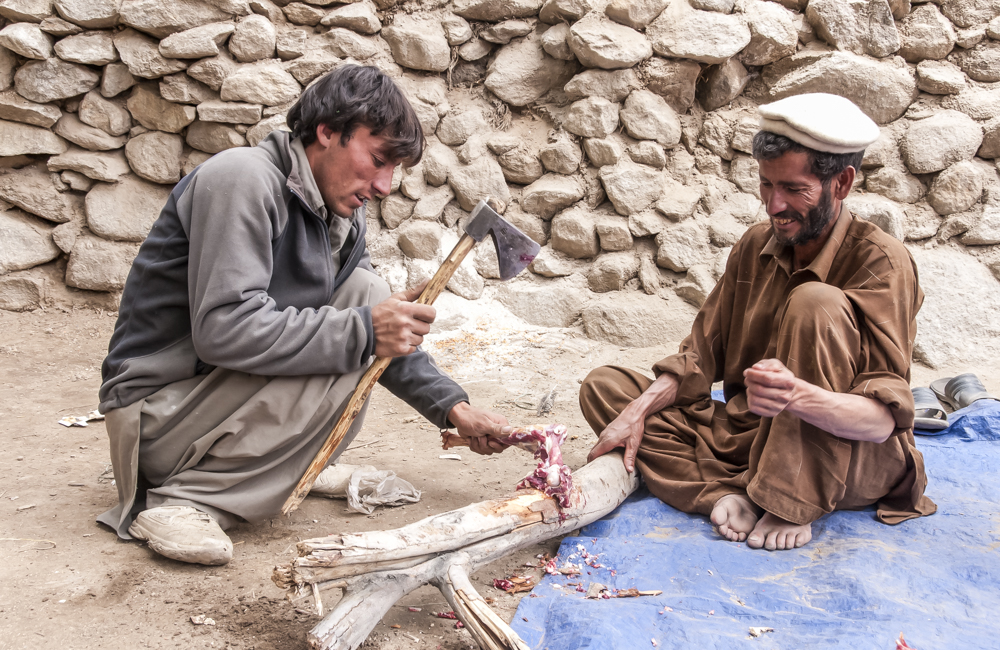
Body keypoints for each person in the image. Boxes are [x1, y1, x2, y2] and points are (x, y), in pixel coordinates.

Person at [96, 64, 511, 565]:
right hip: (159, 420)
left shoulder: (337, 211)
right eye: (378, 159)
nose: (384, 185)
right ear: (328, 131)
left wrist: (453, 409)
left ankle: (282, 469)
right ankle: (183, 498)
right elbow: (223, 330)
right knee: (362, 314)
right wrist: (366, 327)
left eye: (393, 170)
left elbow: (370, 322)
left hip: (215, 403)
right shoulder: (242, 179)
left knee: (366, 289)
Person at [581, 93, 936, 551]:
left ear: (842, 183)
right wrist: (635, 413)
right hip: (749, 438)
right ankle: (726, 494)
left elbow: (881, 423)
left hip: (848, 456)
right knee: (606, 387)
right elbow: (696, 360)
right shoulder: (754, 246)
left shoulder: (882, 261)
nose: (773, 205)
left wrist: (799, 399)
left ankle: (788, 500)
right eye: (766, 185)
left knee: (815, 302)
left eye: (794, 189)